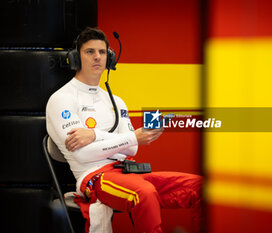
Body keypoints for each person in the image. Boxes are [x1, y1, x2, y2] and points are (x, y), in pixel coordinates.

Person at [46, 27, 202, 233]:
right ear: (76, 58)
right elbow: (84, 154)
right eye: (89, 52)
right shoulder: (62, 99)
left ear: (109, 58)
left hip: (127, 172)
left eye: (102, 52)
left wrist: (95, 135)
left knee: (199, 186)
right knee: (144, 192)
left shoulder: (116, 101)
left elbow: (132, 149)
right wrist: (127, 138)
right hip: (94, 177)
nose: (97, 57)